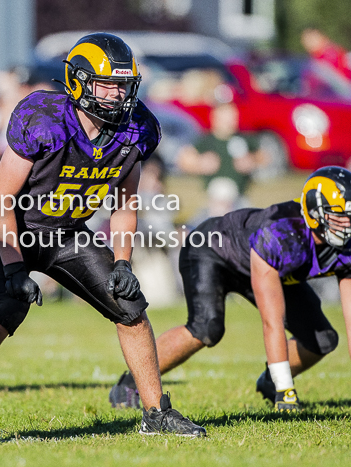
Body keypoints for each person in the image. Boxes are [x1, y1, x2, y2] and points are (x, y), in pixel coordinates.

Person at [0, 33, 206, 438]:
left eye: (123, 85)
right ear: (79, 82)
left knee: (128, 304)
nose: (117, 94)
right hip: (10, 225)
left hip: (66, 231)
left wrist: (122, 261)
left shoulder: (136, 129)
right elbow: (0, 199)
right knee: (7, 310)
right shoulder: (45, 118)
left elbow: (126, 203)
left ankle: (155, 414)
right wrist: (16, 267)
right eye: (107, 84)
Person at [109, 166, 351, 413]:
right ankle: (130, 382)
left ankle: (270, 379)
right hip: (212, 249)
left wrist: (279, 378)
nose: (347, 224)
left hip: (260, 265)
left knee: (322, 339)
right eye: (340, 216)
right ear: (314, 213)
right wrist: (285, 392)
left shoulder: (345, 246)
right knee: (206, 327)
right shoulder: (281, 235)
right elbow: (272, 322)